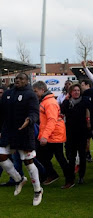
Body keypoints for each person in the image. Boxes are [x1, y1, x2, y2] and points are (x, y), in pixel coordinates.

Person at [0, 73, 43, 206]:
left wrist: (29, 120)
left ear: (26, 81)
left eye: (21, 79)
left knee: (29, 162)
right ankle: (19, 179)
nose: (18, 80)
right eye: (16, 78)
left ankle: (37, 190)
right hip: (8, 131)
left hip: (24, 132)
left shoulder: (31, 95)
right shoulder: (8, 93)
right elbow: (1, 112)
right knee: (1, 156)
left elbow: (35, 112)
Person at [32, 81, 74, 189]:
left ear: (42, 90)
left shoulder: (49, 102)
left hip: (54, 135)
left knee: (58, 158)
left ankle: (68, 179)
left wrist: (45, 136)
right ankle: (54, 175)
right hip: (52, 134)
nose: (34, 93)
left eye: (35, 91)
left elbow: (52, 120)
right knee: (43, 156)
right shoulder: (47, 101)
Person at [61, 84, 91, 185]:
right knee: (71, 155)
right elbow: (61, 113)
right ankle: (71, 176)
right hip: (70, 132)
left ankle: (81, 176)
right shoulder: (66, 102)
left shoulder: (85, 101)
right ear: (70, 92)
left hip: (82, 132)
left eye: (78, 90)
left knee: (82, 155)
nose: (76, 92)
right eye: (74, 90)